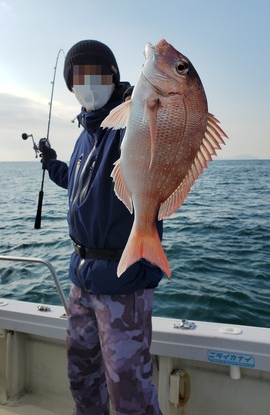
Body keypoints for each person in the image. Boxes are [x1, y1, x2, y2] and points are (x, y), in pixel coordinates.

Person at [39, 39, 164, 415]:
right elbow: (82, 186)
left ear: (114, 76)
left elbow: (160, 133)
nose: (88, 83)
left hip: (124, 279)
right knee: (81, 374)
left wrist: (148, 93)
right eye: (78, 77)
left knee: (130, 390)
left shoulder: (135, 123)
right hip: (83, 279)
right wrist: (52, 164)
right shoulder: (84, 138)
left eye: (96, 73)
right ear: (71, 87)